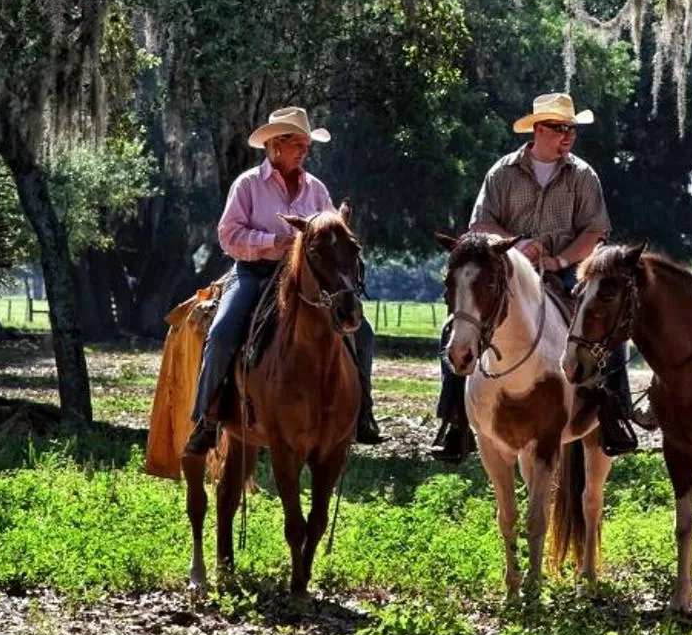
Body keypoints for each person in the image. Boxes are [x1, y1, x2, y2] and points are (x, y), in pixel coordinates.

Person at [432, 91, 639, 463]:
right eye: (560, 129)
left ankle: (615, 413)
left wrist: (560, 260)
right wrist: (517, 245)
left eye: (572, 129)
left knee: (604, 328)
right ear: (539, 129)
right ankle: (453, 420)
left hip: (561, 275)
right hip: (506, 280)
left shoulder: (583, 175)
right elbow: (479, 223)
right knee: (454, 330)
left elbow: (595, 232)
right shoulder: (502, 172)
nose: (568, 136)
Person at [186, 106, 381, 455]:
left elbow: (330, 234)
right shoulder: (247, 184)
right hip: (254, 272)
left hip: (305, 280)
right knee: (223, 331)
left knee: (362, 332)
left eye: (307, 144)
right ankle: (208, 418)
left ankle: (362, 412)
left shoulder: (316, 189)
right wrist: (272, 243)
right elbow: (228, 235)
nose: (304, 150)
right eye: (297, 144)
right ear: (275, 145)